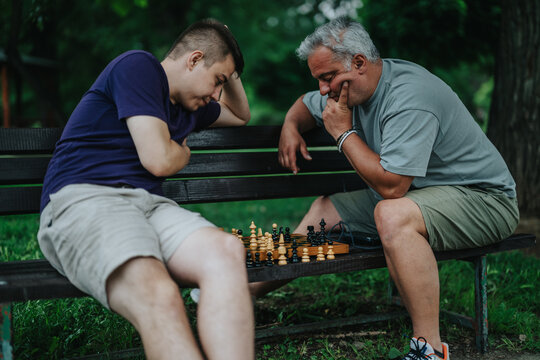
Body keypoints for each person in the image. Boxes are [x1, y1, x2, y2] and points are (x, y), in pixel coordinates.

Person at [250, 17, 519, 360]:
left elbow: (392, 187)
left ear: (359, 63)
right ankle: (246, 291)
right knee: (325, 211)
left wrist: (343, 134)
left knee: (392, 215)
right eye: (318, 78)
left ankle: (429, 350)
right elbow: (305, 105)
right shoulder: (349, 88)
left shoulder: (410, 96)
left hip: (484, 200)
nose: (322, 89)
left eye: (327, 77)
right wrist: (290, 125)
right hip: (423, 195)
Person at [37, 19, 254, 360]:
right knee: (160, 293)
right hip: (87, 199)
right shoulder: (139, 66)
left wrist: (229, 54)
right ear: (194, 60)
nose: (217, 94)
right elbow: (159, 160)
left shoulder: (189, 108)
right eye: (217, 82)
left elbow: (241, 115)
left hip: (150, 207)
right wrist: (181, 153)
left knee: (226, 253)